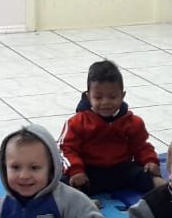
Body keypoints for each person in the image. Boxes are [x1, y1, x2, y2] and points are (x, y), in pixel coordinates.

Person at [59, 60, 165, 196]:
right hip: (89, 172)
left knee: (149, 177)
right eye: (98, 97)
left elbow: (142, 147)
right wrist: (76, 170)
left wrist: (149, 161)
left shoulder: (133, 122)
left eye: (113, 97)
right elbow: (66, 149)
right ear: (88, 96)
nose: (105, 102)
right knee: (62, 185)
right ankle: (84, 203)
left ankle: (171, 193)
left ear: (122, 95)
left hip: (122, 170)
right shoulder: (76, 123)